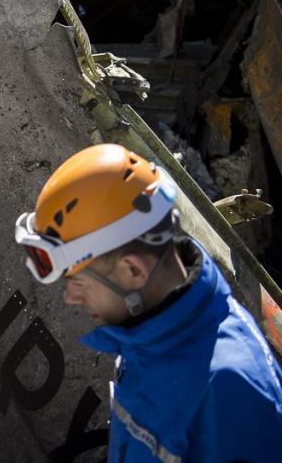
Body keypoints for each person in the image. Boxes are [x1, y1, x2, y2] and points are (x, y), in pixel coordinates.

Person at [14, 143, 282, 462]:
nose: (70, 297)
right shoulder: (154, 332)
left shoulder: (230, 394)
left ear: (133, 270)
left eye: (78, 282)